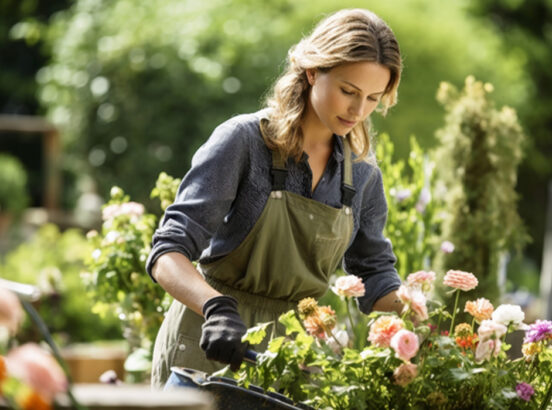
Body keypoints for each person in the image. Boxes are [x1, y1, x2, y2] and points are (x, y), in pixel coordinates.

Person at [146, 8, 407, 389]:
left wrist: (423, 322)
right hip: (208, 346)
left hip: (292, 362)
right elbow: (167, 252)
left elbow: (375, 276)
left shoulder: (362, 174)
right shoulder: (245, 141)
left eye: (372, 98)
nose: (358, 111)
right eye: (348, 92)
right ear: (313, 71)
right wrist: (214, 306)